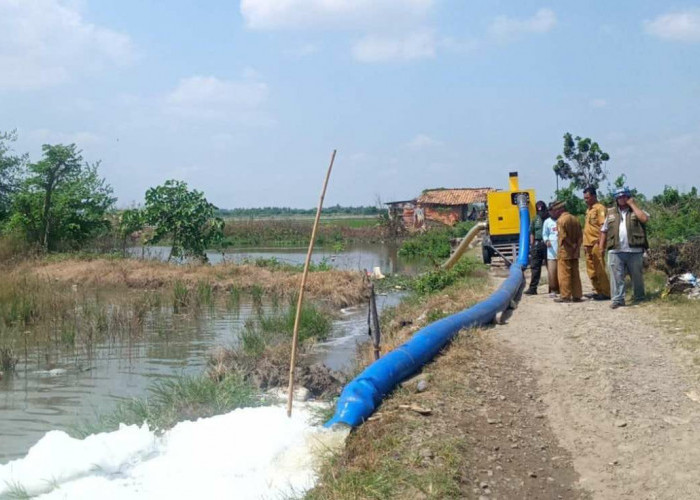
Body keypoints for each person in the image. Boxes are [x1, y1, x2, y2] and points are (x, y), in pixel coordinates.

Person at [599, 186, 650, 309]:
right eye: (619, 197)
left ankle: (639, 297)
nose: (622, 199)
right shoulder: (610, 213)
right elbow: (604, 231)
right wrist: (601, 247)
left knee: (637, 276)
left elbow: (644, 219)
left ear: (628, 196)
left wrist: (632, 205)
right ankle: (618, 299)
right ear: (616, 198)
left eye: (624, 196)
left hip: (635, 250)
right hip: (615, 250)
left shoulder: (637, 210)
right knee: (616, 277)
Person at [550, 200, 583, 303]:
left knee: (564, 274)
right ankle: (577, 295)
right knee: (575, 274)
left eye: (555, 210)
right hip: (575, 252)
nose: (554, 213)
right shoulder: (575, 219)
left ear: (560, 210)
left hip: (565, 251)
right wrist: (576, 246)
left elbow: (563, 236)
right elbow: (580, 236)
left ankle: (565, 296)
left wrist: (571, 245)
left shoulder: (561, 221)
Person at [582, 186, 611, 300]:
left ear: (594, 196)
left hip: (596, 243)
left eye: (588, 198)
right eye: (584, 198)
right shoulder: (588, 210)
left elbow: (603, 227)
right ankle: (597, 290)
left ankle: (606, 292)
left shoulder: (600, 209)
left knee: (600, 269)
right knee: (591, 271)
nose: (586, 200)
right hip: (588, 244)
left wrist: (601, 245)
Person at [524, 201, 549, 295]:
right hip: (537, 244)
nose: (540, 210)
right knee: (535, 267)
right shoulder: (535, 219)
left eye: (541, 207)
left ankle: (554, 287)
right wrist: (532, 245)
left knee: (550, 266)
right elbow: (532, 232)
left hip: (548, 245)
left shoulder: (550, 218)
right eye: (538, 208)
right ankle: (533, 288)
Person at [542, 202, 560, 297]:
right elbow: (544, 234)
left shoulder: (561, 220)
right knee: (552, 272)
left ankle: (562, 289)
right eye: (550, 210)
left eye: (552, 210)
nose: (551, 212)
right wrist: (546, 240)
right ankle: (553, 289)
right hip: (551, 252)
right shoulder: (547, 222)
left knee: (561, 272)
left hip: (561, 251)